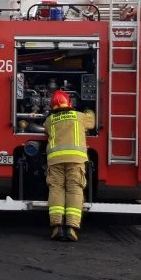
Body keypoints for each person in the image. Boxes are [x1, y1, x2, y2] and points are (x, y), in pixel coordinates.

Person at [45, 89, 95, 241]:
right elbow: (92, 122)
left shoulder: (49, 120)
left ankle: (56, 228)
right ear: (69, 102)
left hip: (55, 161)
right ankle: (72, 229)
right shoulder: (80, 117)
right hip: (75, 160)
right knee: (74, 190)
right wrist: (89, 109)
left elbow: (46, 130)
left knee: (56, 190)